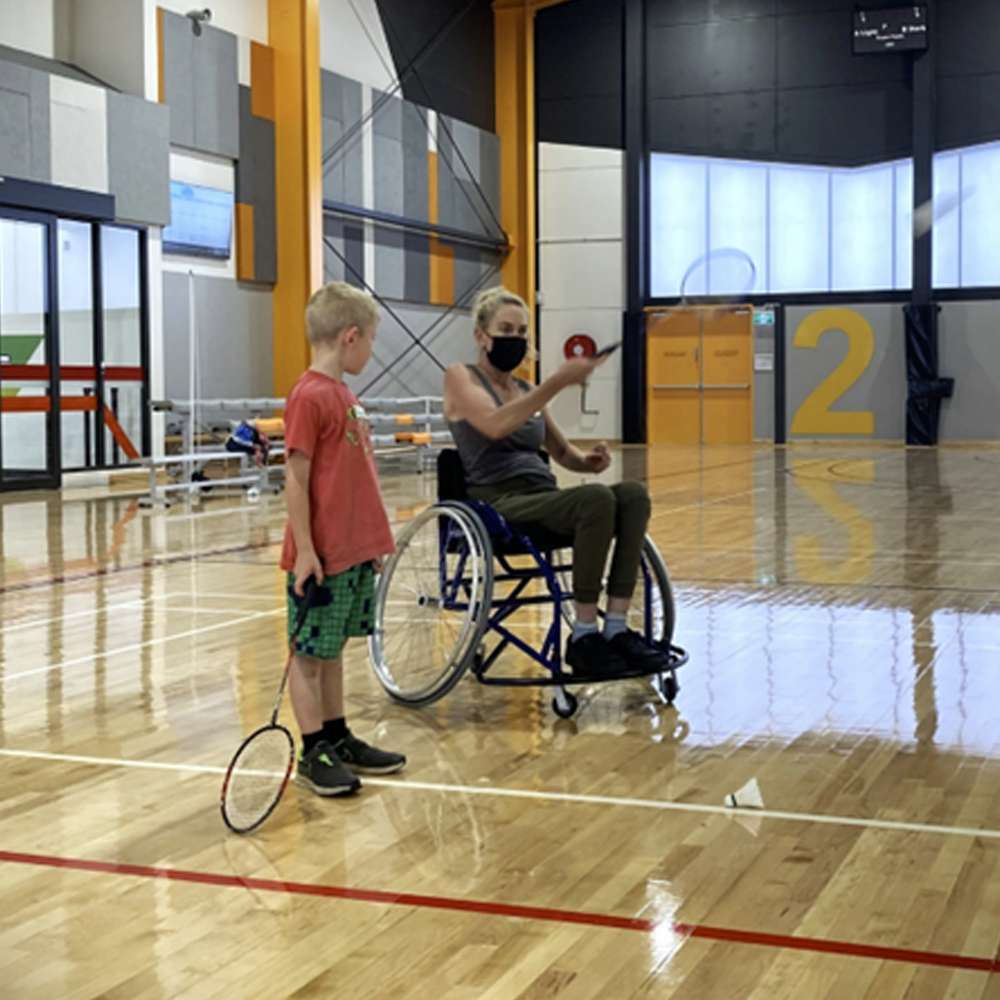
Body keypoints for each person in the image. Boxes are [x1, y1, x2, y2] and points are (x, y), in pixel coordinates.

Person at [443, 287, 669, 678]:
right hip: (496, 504)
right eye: (505, 330)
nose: (514, 340)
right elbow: (496, 426)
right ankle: (583, 634)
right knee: (595, 501)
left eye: (521, 333)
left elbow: (563, 454)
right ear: (481, 335)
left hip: (542, 497)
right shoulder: (460, 378)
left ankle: (615, 626)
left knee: (632, 495)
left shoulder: (527, 390)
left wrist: (592, 461)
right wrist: (559, 381)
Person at [280, 281, 406, 796]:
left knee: (331, 654)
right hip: (321, 559)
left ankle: (337, 735)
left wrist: (372, 541)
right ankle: (313, 751)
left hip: (353, 554)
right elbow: (296, 477)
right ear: (350, 337)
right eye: (372, 340)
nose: (372, 350)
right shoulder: (310, 396)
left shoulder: (345, 396)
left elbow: (357, 479)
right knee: (308, 657)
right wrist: (307, 551)